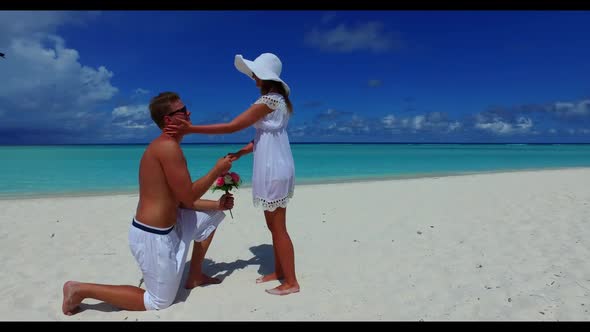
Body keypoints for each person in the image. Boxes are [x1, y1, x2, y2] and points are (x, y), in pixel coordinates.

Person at [62, 92, 234, 315]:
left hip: (172, 226)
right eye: (182, 111)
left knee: (213, 216)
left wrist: (218, 205)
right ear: (169, 120)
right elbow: (188, 197)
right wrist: (216, 171)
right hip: (153, 236)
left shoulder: (169, 146)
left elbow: (181, 202)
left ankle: (195, 275)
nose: (188, 113)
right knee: (158, 302)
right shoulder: (167, 148)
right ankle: (79, 289)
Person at [165, 53, 299, 296]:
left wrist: (191, 128)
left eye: (255, 73)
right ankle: (280, 272)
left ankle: (291, 282)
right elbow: (264, 137)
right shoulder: (277, 101)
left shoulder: (270, 100)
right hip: (276, 165)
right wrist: (241, 152)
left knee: (278, 228)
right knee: (274, 226)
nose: (253, 77)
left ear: (264, 76)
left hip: (273, 169)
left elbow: (233, 126)